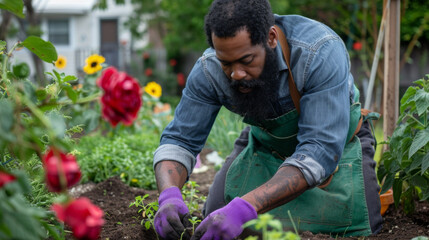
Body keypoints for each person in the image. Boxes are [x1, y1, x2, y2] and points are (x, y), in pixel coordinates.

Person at [152, 0, 383, 239]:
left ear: (271, 38)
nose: (236, 74)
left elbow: (320, 149)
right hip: (268, 144)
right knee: (215, 217)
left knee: (362, 227)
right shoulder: (208, 70)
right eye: (226, 63)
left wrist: (245, 208)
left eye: (247, 60)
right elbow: (179, 140)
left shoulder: (319, 51)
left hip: (339, 146)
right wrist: (168, 195)